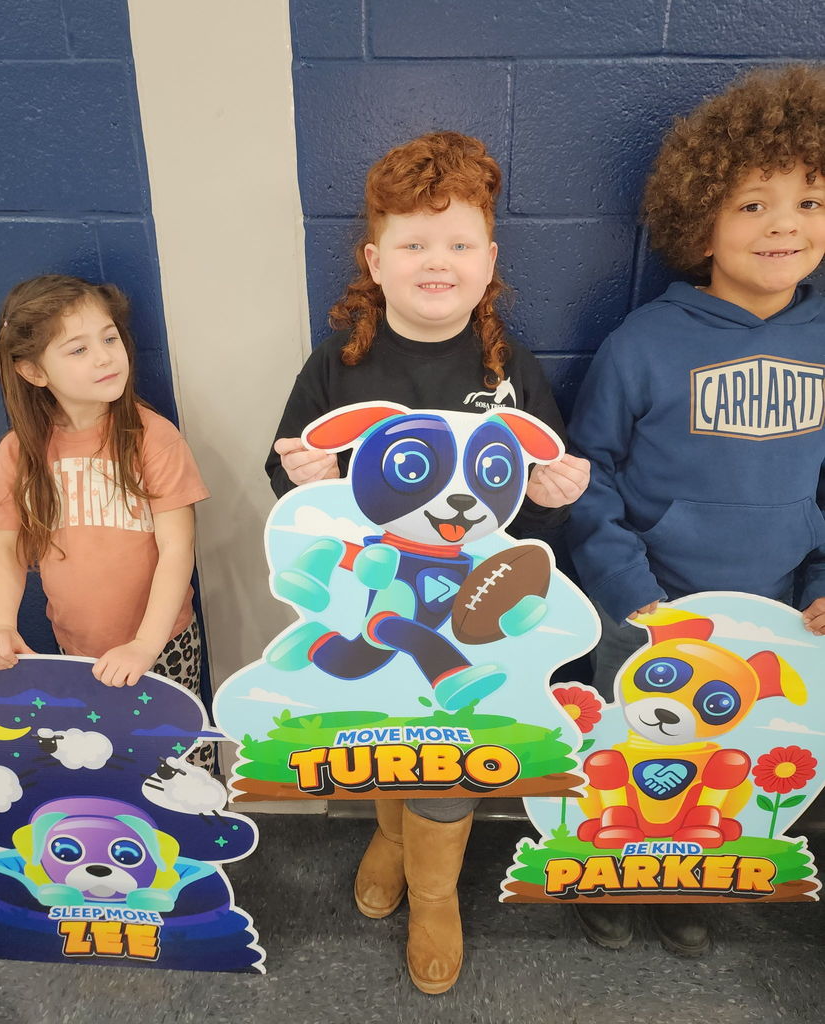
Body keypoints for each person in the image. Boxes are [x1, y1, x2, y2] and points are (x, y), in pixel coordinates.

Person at [266, 131, 590, 994]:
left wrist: (559, 492)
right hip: (368, 601)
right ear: (376, 260)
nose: (433, 261)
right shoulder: (339, 366)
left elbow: (541, 486)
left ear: (489, 260)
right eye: (412, 243)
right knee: (383, 730)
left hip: (471, 613)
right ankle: (389, 832)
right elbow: (284, 477)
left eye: (456, 243)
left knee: (451, 742)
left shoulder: (508, 368)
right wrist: (302, 477)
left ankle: (435, 892)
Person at [566, 64, 825, 955]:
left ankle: (686, 883)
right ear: (700, 220)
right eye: (754, 204)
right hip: (646, 612)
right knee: (630, 756)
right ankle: (609, 872)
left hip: (774, 619)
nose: (785, 223)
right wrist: (633, 594)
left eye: (807, 200)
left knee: (726, 765)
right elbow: (586, 473)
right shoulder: (641, 342)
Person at [0, 275, 215, 768]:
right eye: (78, 349)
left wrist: (144, 646)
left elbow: (177, 550)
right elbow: (6, 549)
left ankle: (195, 840)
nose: (106, 357)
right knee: (106, 759)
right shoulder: (19, 454)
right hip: (76, 647)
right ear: (33, 371)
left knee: (174, 762)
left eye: (109, 338)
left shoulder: (153, 438)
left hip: (162, 642)